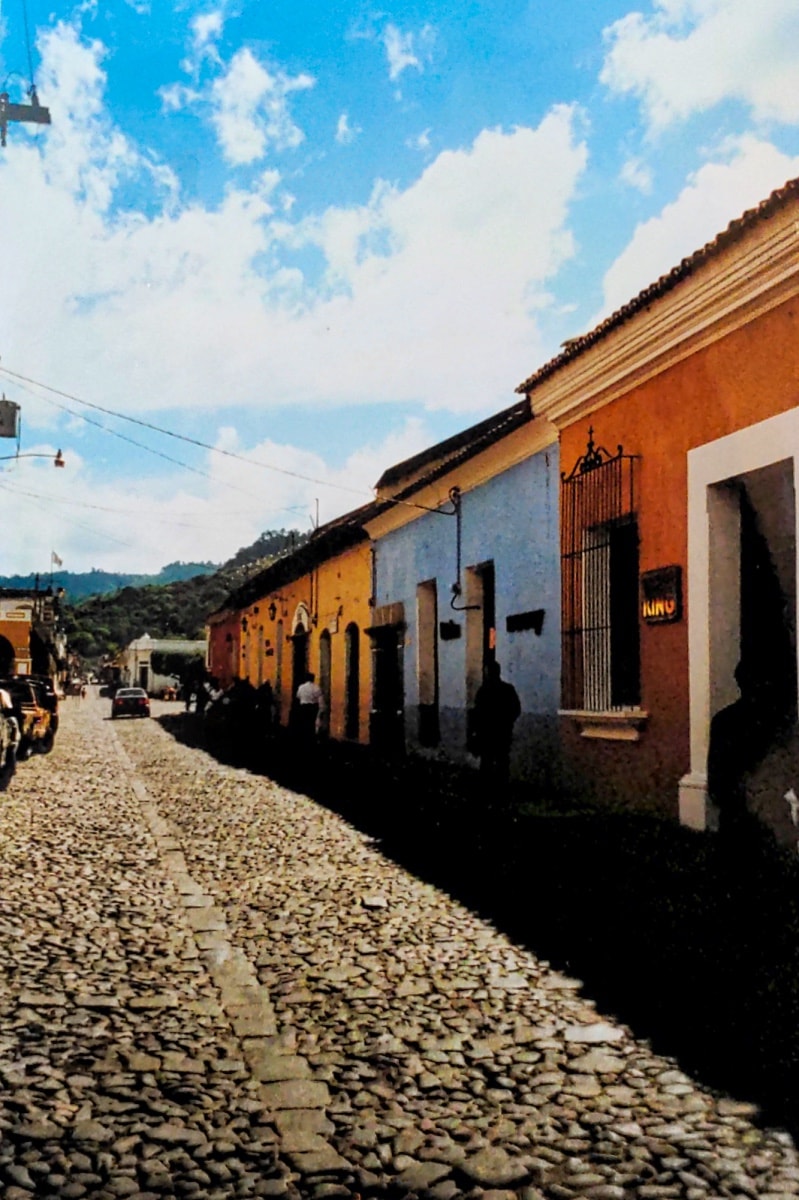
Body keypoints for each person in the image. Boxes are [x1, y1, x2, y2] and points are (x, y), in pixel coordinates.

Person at [707, 659, 779, 842]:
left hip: (736, 809)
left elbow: (716, 773)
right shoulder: (773, 722)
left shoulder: (723, 720)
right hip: (760, 809)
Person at [472, 661, 521, 785]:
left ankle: (488, 789)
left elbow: (477, 713)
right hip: (503, 732)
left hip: (487, 733)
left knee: (487, 762)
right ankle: (501, 788)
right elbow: (516, 709)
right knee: (502, 762)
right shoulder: (508, 689)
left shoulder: (483, 691)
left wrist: (476, 731)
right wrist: (508, 722)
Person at [295, 672, 324, 745]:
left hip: (303, 707)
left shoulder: (301, 687)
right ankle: (310, 740)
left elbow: (298, 696)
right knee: (311, 724)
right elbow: (320, 700)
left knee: (303, 723)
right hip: (312, 708)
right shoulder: (316, 687)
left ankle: (302, 739)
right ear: (313, 679)